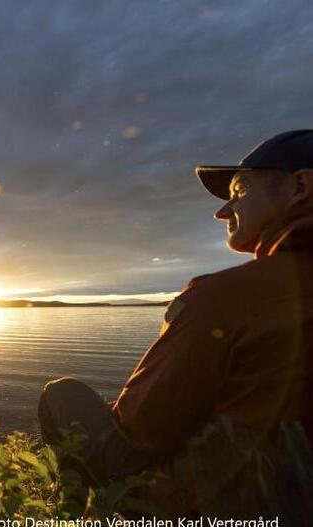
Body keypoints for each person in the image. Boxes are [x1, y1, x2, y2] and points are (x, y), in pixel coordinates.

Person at [38, 129, 313, 485]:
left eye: (239, 192)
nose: (223, 211)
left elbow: (140, 428)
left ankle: (82, 519)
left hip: (219, 513)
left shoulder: (224, 297)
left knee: (61, 394)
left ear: (300, 187)